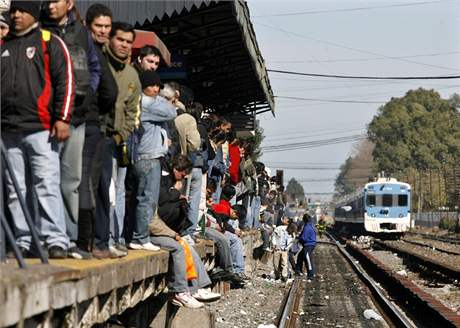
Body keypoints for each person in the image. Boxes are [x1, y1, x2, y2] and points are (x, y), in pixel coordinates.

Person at [2, 0, 74, 258]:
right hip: (9, 130)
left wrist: (63, 118)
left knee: (46, 184)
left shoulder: (49, 42)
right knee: (16, 189)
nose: (16, 15)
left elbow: (65, 81)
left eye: (21, 10)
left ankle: (55, 240)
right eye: (13, 11)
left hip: (41, 128)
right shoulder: (5, 44)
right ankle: (24, 240)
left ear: (33, 13)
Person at [41, 0, 101, 259]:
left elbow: (94, 67)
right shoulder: (40, 29)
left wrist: (88, 91)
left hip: (76, 116)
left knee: (71, 182)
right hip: (45, 117)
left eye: (56, 0)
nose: (51, 5)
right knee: (44, 179)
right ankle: (46, 237)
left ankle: (69, 237)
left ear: (70, 3)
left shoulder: (81, 33)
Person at [149, 155, 220, 308]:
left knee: (185, 246)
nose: (185, 177)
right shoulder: (157, 186)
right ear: (176, 169)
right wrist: (172, 233)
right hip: (150, 234)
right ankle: (181, 292)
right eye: (183, 174)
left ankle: (198, 287)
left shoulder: (166, 181)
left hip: (159, 230)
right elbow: (152, 222)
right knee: (178, 247)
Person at [97, 21, 141, 257]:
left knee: (111, 191)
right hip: (91, 132)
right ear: (110, 39)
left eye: (128, 41)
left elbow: (133, 113)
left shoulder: (132, 75)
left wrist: (120, 135)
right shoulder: (98, 61)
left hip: (113, 142)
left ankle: (109, 238)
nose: (123, 45)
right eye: (120, 39)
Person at [81, 3, 118, 259]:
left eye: (107, 26)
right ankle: (92, 241)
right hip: (91, 125)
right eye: (99, 26)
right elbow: (108, 92)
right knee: (90, 186)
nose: (103, 31)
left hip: (100, 128)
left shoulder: (103, 54)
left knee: (101, 187)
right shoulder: (90, 52)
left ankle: (99, 240)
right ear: (88, 25)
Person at [129, 70, 176, 251]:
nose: (156, 89)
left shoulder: (147, 102)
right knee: (147, 199)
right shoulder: (146, 103)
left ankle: (139, 235)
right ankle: (140, 237)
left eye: (158, 86)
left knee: (143, 198)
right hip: (148, 157)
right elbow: (172, 112)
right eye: (152, 85)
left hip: (146, 156)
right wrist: (167, 98)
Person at [297, 213, 317, 279]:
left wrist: (298, 238)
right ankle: (298, 270)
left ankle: (311, 275)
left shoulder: (307, 227)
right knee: (300, 256)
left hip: (308, 245)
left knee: (308, 260)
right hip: (310, 244)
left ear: (304, 220)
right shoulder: (310, 225)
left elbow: (304, 238)